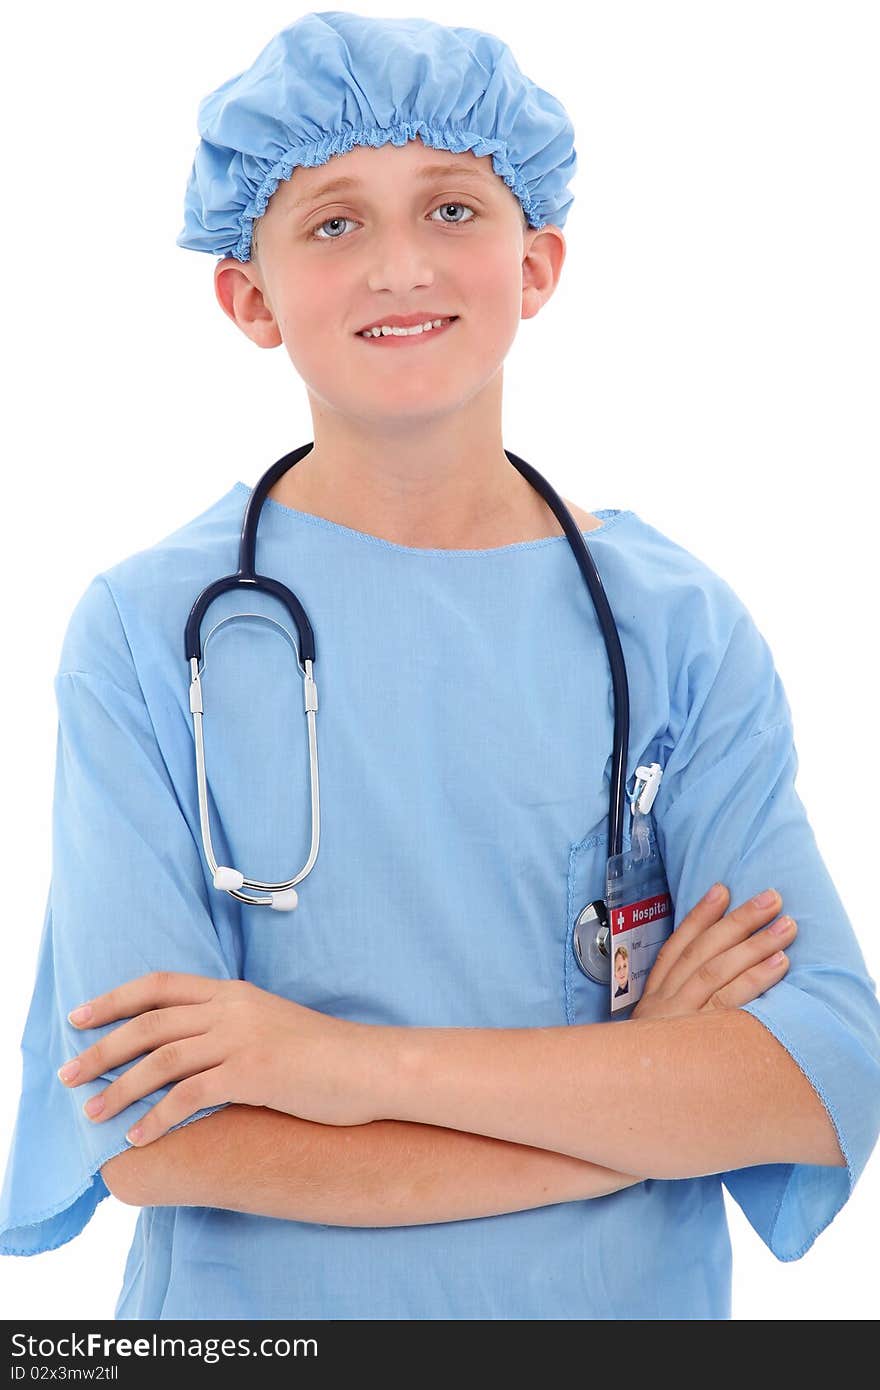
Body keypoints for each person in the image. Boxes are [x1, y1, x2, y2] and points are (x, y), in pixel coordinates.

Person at [1, 11, 878, 1321]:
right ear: (249, 296)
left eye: (454, 208)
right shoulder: (145, 630)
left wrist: (332, 1063)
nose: (402, 264)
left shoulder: (678, 627)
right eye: (335, 223)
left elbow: (822, 1081)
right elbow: (163, 1134)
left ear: (539, 265)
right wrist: (640, 1091)